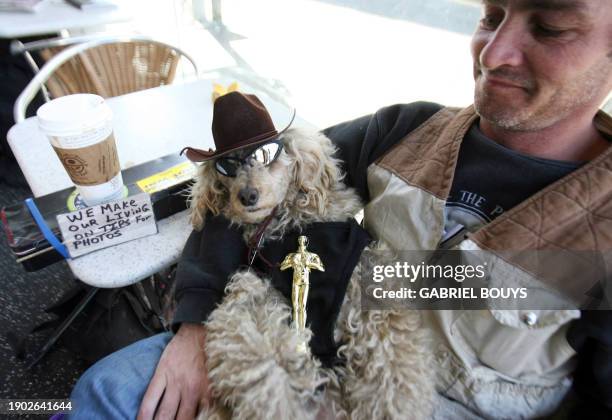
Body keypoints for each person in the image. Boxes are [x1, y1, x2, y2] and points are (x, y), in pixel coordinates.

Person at [68, 0, 612, 418]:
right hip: (302, 336)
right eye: (492, 16)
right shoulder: (406, 130)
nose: (492, 55)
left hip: (448, 403)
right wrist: (196, 322)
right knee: (107, 390)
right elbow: (247, 183)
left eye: (551, 27)